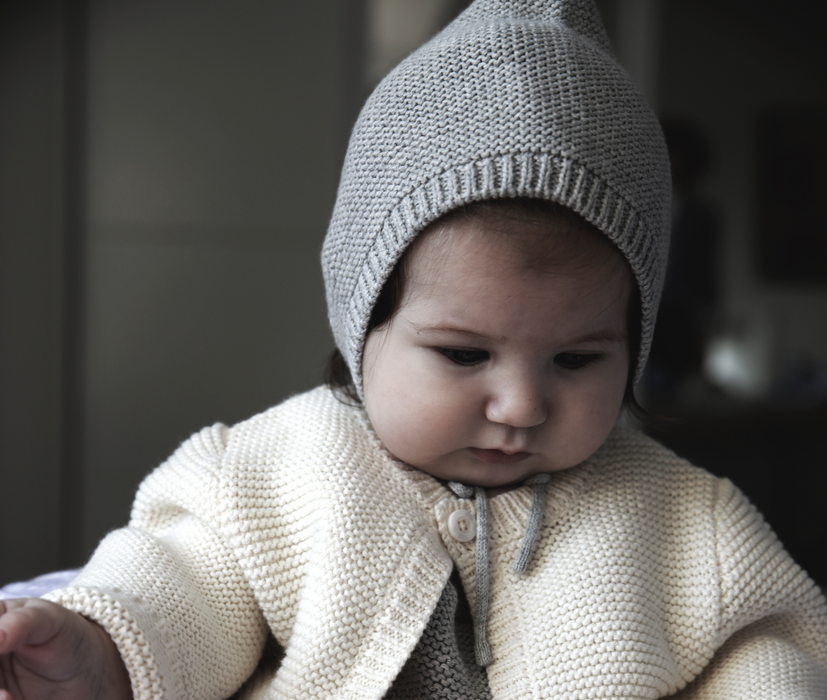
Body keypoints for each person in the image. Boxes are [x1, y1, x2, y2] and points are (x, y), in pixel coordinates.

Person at [2, 0, 826, 698]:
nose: (521, 405)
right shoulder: (275, 474)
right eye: (465, 355)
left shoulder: (682, 518)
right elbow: (180, 587)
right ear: (363, 325)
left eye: (575, 360)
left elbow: (769, 648)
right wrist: (98, 651)